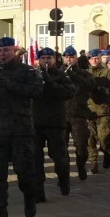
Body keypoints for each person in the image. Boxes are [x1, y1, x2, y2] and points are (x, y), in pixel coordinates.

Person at [0, 37, 44, 217]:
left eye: (7, 50)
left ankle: (29, 197)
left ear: (14, 51)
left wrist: (10, 84)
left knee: (24, 170)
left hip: (21, 129)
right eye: (0, 51)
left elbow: (37, 91)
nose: (3, 54)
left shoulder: (27, 71)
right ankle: (0, 212)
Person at [32, 47, 75, 202]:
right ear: (38, 60)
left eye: (49, 58)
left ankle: (63, 180)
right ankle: (38, 190)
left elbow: (69, 93)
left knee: (59, 157)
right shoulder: (33, 75)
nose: (46, 61)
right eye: (43, 58)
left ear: (54, 60)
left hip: (56, 122)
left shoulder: (62, 76)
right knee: (35, 159)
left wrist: (50, 83)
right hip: (36, 123)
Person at [62, 46, 97, 181]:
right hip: (62, 115)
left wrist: (75, 75)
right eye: (67, 57)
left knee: (81, 145)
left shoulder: (83, 73)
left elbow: (91, 85)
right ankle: (64, 174)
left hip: (79, 113)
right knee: (62, 148)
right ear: (63, 58)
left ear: (76, 58)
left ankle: (81, 165)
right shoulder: (59, 72)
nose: (69, 59)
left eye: (72, 57)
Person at [86, 49, 110, 174]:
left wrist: (100, 89)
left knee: (103, 136)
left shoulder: (107, 72)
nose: (95, 60)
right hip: (88, 110)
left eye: (97, 58)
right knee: (90, 138)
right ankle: (93, 160)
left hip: (104, 109)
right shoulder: (85, 73)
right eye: (92, 59)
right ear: (89, 60)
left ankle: (107, 151)